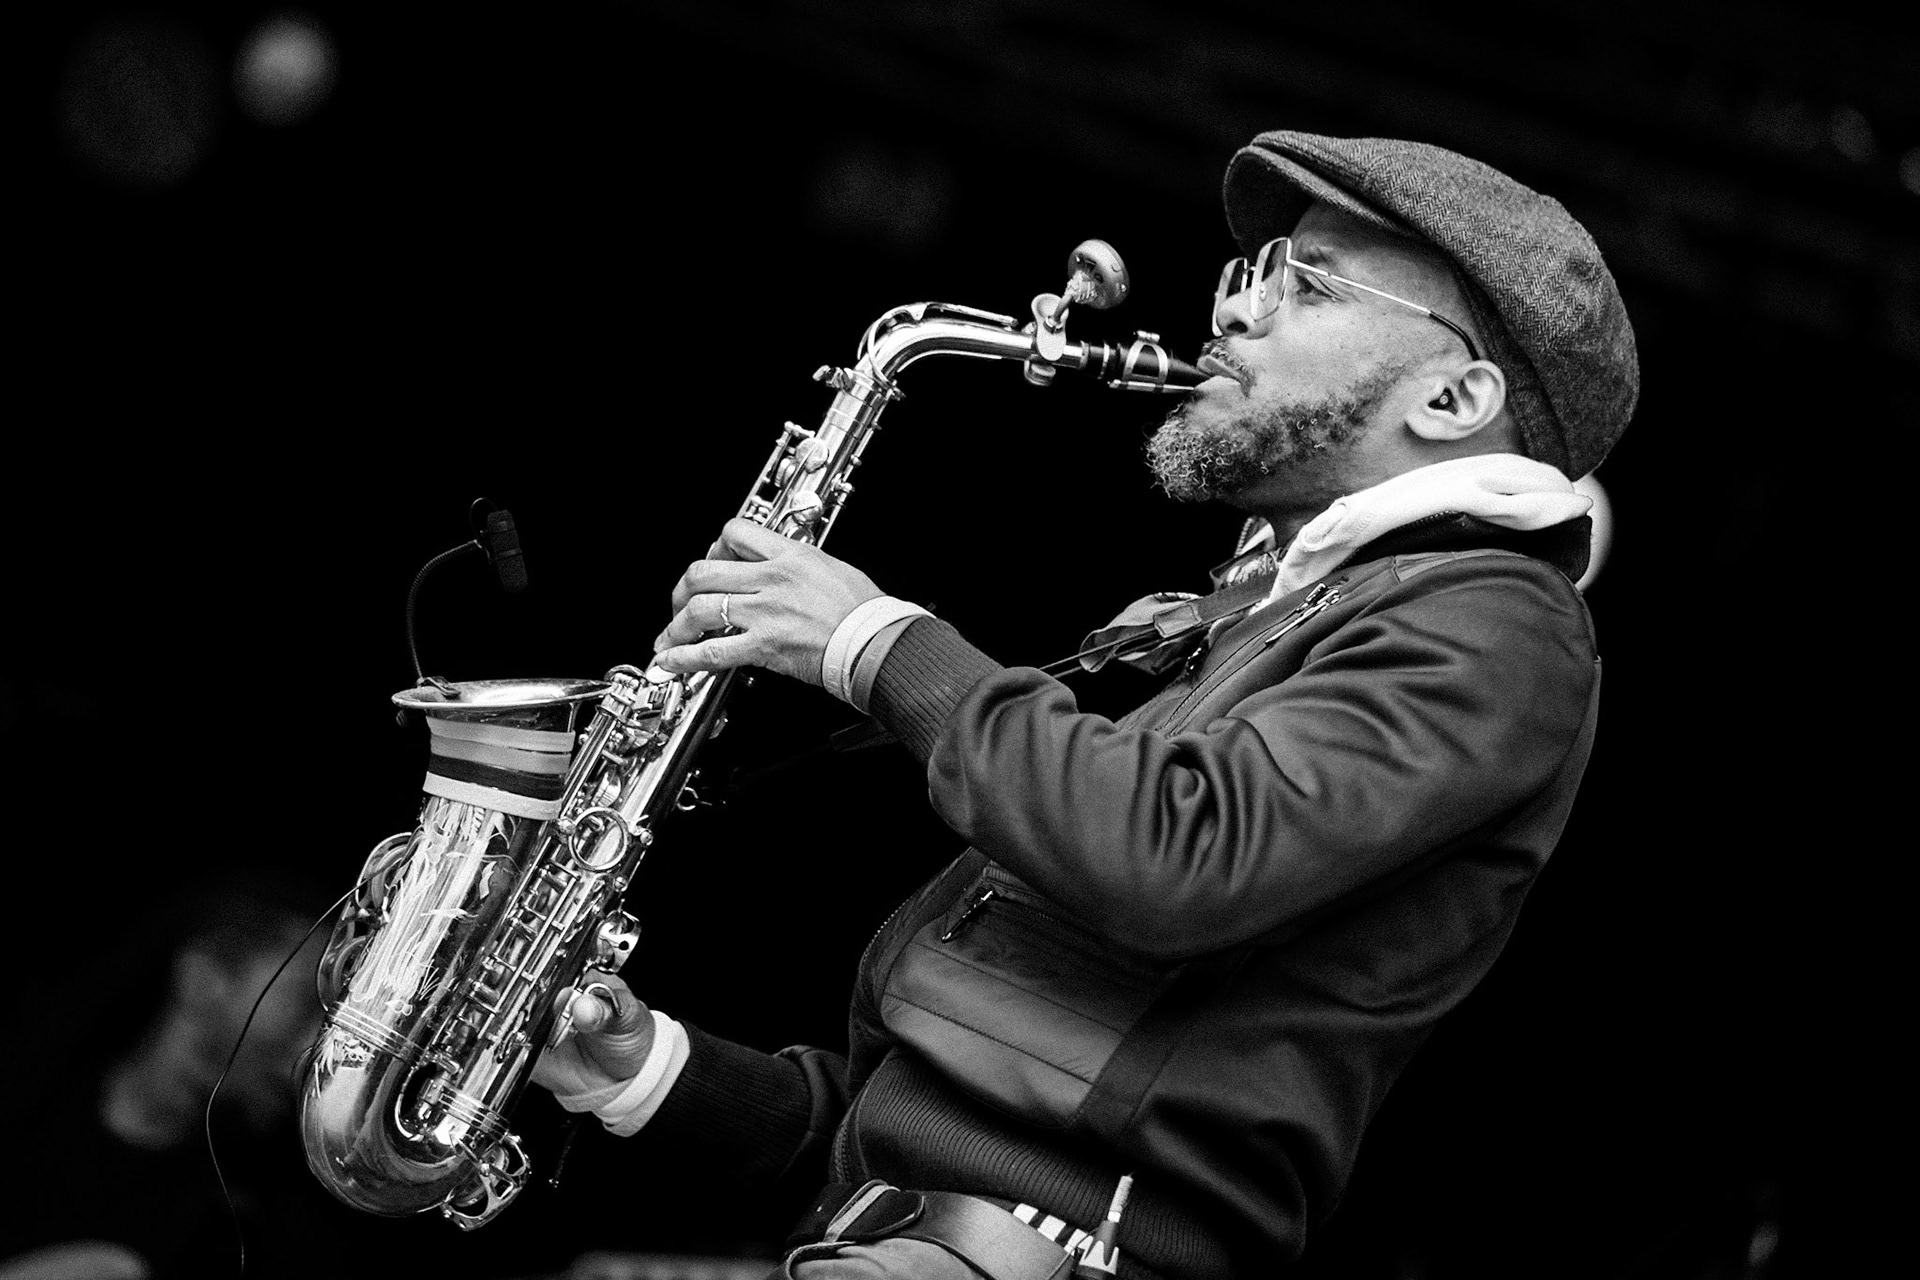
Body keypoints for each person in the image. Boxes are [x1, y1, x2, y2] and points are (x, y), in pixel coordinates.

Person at [531, 130, 1638, 1279]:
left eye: (1305, 282)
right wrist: (646, 1071)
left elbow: (1180, 857)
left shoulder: (1499, 621)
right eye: (1250, 273)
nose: (1239, 314)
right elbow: (906, 1142)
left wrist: (875, 642)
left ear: (1456, 396)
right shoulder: (1256, 617)